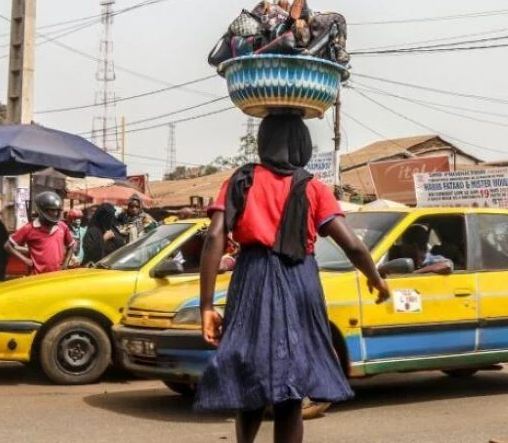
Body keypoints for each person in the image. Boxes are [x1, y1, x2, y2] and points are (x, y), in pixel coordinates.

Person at [194, 113, 390, 443]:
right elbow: (354, 245)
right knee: (291, 385)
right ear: (303, 145)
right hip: (299, 280)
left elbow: (214, 238)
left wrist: (206, 306)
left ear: (263, 141)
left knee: (249, 375)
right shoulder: (313, 187)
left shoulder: (242, 180)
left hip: (251, 281)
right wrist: (376, 278)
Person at [5, 192, 77, 275]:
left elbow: (72, 245)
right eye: (53, 210)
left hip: (56, 277)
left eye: (58, 210)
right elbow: (8, 246)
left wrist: (65, 264)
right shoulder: (29, 228)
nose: (56, 213)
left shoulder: (62, 227)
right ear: (43, 210)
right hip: (36, 278)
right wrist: (25, 260)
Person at [385, 224, 453, 275]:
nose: (401, 247)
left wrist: (415, 273)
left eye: (404, 244)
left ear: (414, 246)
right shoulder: (398, 260)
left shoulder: (430, 260)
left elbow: (447, 266)